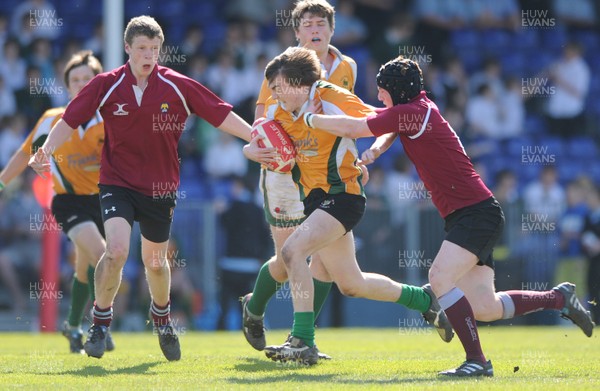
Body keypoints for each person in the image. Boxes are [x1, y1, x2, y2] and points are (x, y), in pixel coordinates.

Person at [301, 55, 595, 376]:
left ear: (396, 91)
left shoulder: (411, 111)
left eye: (383, 90)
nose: (380, 95)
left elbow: (358, 126)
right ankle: (558, 298)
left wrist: (309, 120)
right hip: (473, 213)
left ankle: (478, 362)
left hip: (475, 213)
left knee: (439, 278)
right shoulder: (419, 106)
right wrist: (378, 149)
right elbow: (392, 125)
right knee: (486, 308)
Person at [28, 15, 269, 361]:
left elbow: (218, 113)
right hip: (116, 182)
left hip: (160, 187)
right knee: (115, 251)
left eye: (154, 49)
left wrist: (255, 135)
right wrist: (46, 150)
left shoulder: (177, 85)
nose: (148, 55)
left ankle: (162, 318)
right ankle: (99, 322)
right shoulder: (106, 84)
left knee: (156, 263)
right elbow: (71, 118)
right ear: (127, 48)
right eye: (141, 48)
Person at [258, 47, 453, 366]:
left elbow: (385, 119)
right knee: (351, 284)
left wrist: (371, 153)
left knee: (292, 252)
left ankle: (302, 341)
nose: (274, 94)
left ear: (298, 83)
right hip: (316, 202)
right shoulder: (277, 110)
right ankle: (425, 299)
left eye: (278, 87)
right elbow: (255, 143)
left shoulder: (328, 95)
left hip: (344, 196)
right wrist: (255, 153)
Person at [241, 0, 360, 353]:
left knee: (320, 258)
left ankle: (303, 338)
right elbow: (261, 118)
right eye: (307, 24)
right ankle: (254, 309)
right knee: (287, 259)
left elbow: (347, 118)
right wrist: (254, 148)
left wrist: (357, 158)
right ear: (296, 32)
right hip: (282, 170)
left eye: (321, 23)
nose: (314, 29)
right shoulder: (281, 69)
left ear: (332, 29)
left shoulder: (346, 66)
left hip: (325, 174)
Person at [0, 50, 115, 354]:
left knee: (84, 266)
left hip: (106, 201)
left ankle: (73, 325)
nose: (80, 84)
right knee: (102, 253)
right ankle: (99, 323)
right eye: (74, 79)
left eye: (87, 79)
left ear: (98, 84)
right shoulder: (53, 120)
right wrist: (1, 182)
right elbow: (26, 154)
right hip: (69, 202)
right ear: (67, 87)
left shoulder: (112, 120)